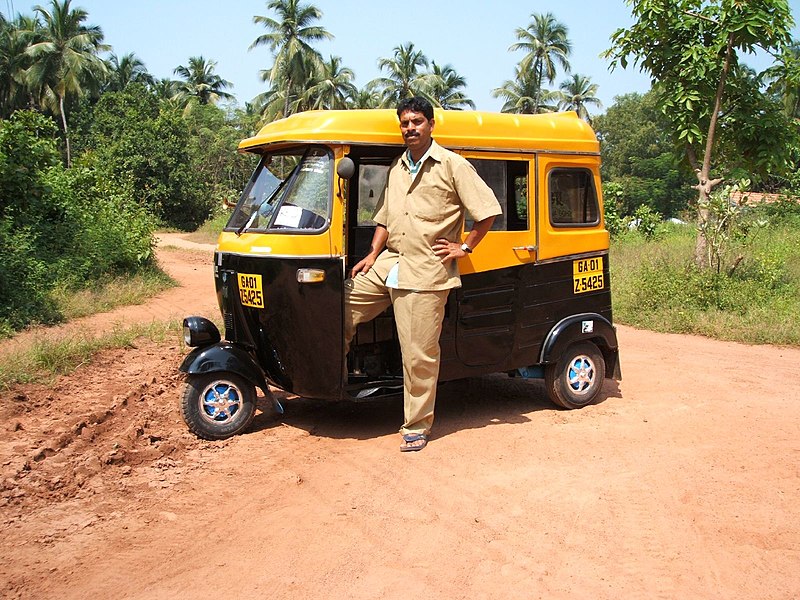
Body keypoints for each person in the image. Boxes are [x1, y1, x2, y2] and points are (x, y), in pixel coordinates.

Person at [345, 96, 502, 452]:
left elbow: (488, 211)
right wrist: (371, 253)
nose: (410, 128)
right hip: (390, 261)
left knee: (418, 354)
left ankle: (416, 425)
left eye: (416, 121)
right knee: (339, 307)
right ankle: (330, 385)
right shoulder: (398, 168)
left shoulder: (451, 165)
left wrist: (465, 248)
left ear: (431, 125)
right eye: (404, 123)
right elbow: (385, 217)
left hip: (428, 271)